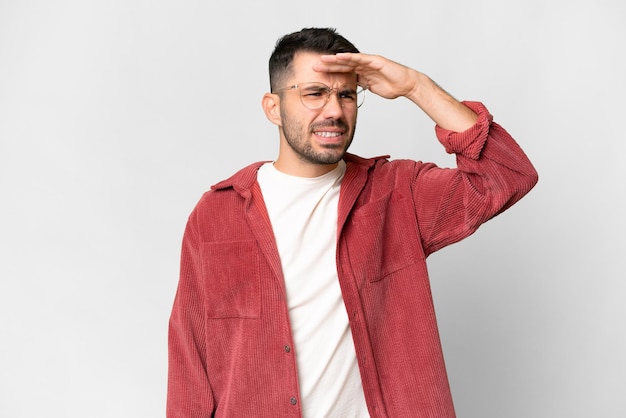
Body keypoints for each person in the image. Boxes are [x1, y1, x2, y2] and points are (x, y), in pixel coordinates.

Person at [167, 27, 538, 418]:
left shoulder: (397, 194)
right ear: (273, 107)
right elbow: (190, 359)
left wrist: (416, 86)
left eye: (346, 94)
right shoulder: (216, 214)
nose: (334, 110)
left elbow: (507, 175)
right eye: (314, 93)